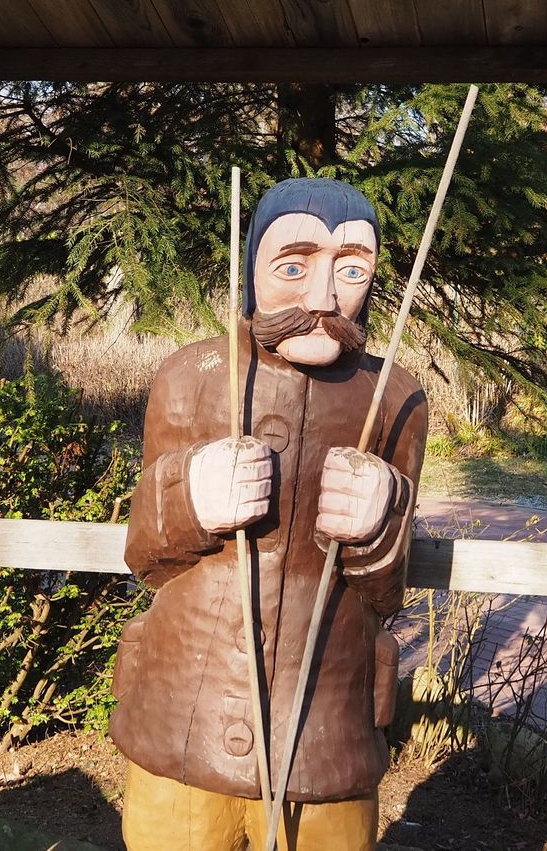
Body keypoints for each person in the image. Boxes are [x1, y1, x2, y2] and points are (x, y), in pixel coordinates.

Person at [111, 177, 428, 851]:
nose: (322, 298)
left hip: (326, 735)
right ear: (252, 267)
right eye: (294, 266)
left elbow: (387, 588)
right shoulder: (191, 374)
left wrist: (381, 519)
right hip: (184, 725)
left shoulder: (397, 397)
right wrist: (191, 494)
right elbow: (143, 554)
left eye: (351, 270)